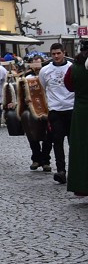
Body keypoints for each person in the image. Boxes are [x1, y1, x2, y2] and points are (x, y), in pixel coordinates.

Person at [39, 43, 73, 184]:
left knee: (74, 142)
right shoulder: (45, 70)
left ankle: (75, 171)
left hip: (71, 108)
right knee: (57, 142)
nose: (56, 56)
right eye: (53, 54)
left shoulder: (71, 67)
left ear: (63, 53)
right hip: (55, 110)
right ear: (50, 55)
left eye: (58, 53)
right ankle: (61, 171)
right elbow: (43, 88)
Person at [64, 43, 87, 197]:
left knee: (81, 149)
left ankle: (82, 185)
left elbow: (69, 86)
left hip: (81, 112)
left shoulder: (73, 68)